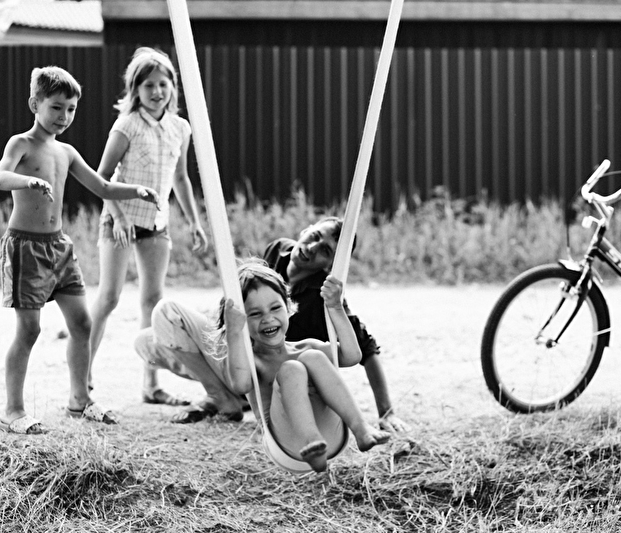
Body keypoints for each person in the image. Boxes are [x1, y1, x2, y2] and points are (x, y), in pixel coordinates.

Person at [0, 66, 160, 434]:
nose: (64, 117)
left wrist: (136, 191)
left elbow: (102, 187)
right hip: (26, 247)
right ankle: (13, 410)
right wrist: (28, 181)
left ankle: (79, 401)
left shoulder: (66, 151)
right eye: (56, 107)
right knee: (29, 330)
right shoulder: (21, 144)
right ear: (35, 104)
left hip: (59, 248)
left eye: (70, 109)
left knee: (83, 324)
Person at [88, 47, 208, 406]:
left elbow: (181, 178)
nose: (157, 92)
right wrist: (119, 217)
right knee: (109, 297)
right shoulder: (126, 125)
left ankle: (151, 384)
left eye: (163, 84)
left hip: (156, 223)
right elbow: (102, 177)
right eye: (148, 85)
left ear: (173, 87)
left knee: (153, 301)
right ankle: (83, 374)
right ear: (135, 90)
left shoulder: (180, 128)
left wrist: (194, 221)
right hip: (119, 219)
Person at [221, 260, 390, 472]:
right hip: (288, 443)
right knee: (291, 369)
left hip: (332, 434)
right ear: (241, 321)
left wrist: (335, 308)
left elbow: (352, 356)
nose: (268, 318)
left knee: (312, 357)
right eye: (255, 314)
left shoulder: (307, 346)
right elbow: (240, 385)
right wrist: (234, 333)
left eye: (275, 308)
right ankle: (311, 441)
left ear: (288, 307)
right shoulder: (252, 361)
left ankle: (361, 428)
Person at [262, 217, 411, 433]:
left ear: (331, 265)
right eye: (314, 236)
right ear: (305, 230)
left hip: (286, 379)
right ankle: (230, 398)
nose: (311, 248)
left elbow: (367, 348)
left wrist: (386, 412)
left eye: (325, 250)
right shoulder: (276, 250)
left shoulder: (326, 297)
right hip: (253, 363)